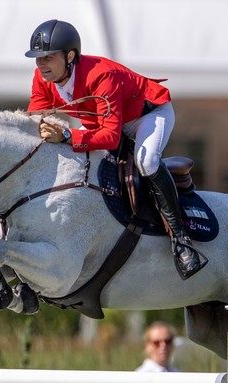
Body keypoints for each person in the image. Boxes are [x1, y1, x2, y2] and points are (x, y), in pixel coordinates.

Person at [25, 19, 206, 279]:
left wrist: (66, 135)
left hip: (147, 116)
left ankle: (181, 241)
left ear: (70, 56)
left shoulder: (100, 75)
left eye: (48, 57)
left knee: (147, 162)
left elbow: (110, 136)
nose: (41, 64)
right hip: (107, 122)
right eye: (38, 58)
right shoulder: (43, 78)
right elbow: (36, 120)